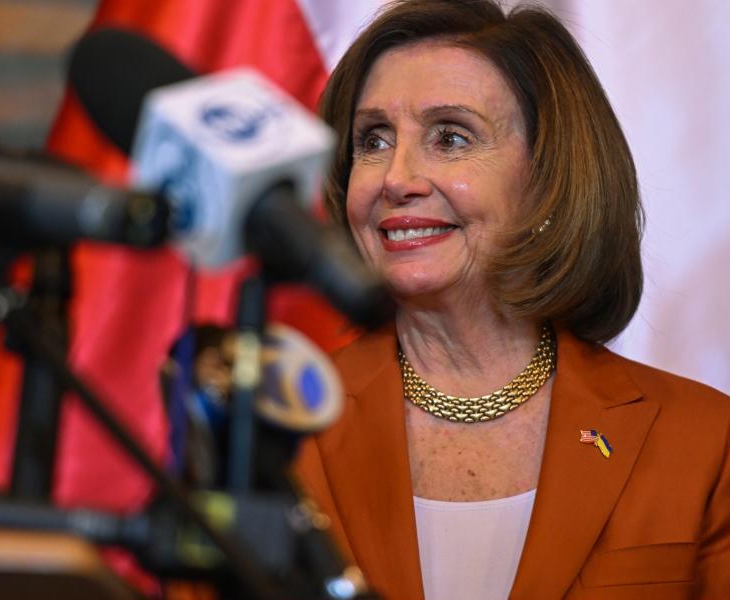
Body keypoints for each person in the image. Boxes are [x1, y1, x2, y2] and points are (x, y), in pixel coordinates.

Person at [294, 1, 730, 599]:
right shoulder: (279, 435)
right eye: (373, 140)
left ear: (548, 181)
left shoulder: (702, 441)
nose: (396, 178)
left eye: (450, 136)